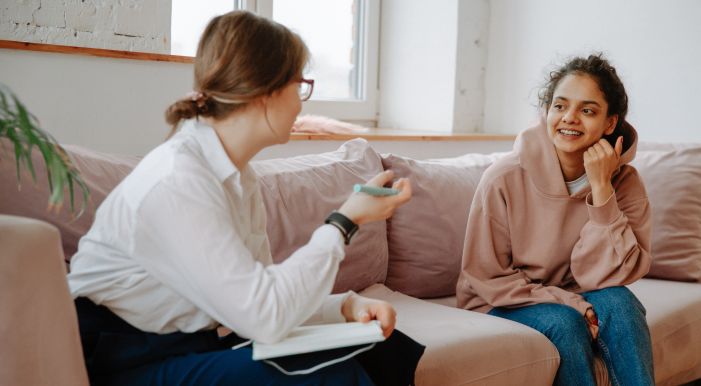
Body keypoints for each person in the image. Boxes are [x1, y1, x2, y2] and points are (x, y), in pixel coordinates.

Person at [67, 11, 424, 386]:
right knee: (329, 377)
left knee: (382, 347)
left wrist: (347, 306)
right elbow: (264, 316)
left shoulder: (239, 176)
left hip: (190, 346)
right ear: (264, 93)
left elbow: (262, 291)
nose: (302, 104)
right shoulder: (179, 180)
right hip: (123, 361)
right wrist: (343, 223)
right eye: (298, 85)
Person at [457, 54, 655, 386]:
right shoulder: (502, 178)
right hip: (498, 301)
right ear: (546, 111)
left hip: (577, 292)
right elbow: (486, 277)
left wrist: (602, 190)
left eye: (588, 110)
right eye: (560, 106)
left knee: (620, 302)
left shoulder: (625, 183)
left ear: (610, 123)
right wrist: (570, 301)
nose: (570, 119)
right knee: (565, 322)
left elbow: (618, 275)